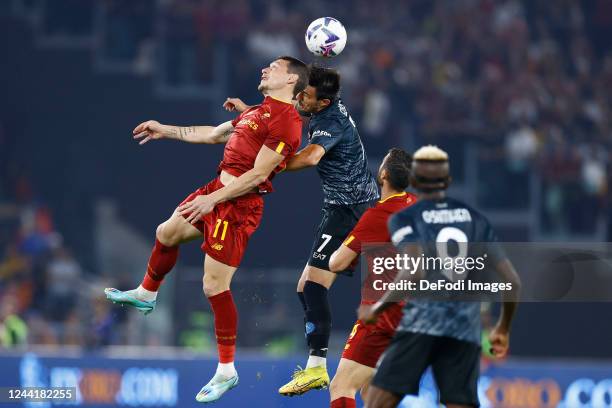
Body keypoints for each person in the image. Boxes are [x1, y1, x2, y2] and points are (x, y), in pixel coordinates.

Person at [104, 56, 309, 403]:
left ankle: (227, 371)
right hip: (216, 191)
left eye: (273, 67)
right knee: (165, 233)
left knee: (214, 285)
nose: (264, 69)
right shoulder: (255, 111)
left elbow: (259, 176)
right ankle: (147, 294)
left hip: (238, 206)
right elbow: (213, 134)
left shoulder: (287, 122)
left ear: (291, 80)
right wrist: (164, 129)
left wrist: (215, 202)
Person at [225, 65, 379, 396]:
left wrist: (269, 165)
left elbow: (310, 157)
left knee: (312, 285)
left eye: (305, 96)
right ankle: (316, 367)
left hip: (350, 211)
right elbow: (291, 109)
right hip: (344, 207)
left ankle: (319, 368)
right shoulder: (319, 104)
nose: (299, 99)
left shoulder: (330, 121)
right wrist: (250, 112)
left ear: (322, 102)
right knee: (306, 287)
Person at [359, 145, 521, 408]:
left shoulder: (406, 218)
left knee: (377, 403)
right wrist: (502, 328)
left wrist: (378, 307)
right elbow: (512, 281)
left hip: (422, 323)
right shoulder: (476, 220)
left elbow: (414, 270)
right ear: (448, 181)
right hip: (463, 328)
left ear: (414, 181)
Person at [325, 148, 415, 408]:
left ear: (383, 174)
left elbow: (336, 262)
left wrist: (351, 241)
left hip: (384, 315)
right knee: (371, 392)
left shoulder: (378, 216)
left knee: (342, 386)